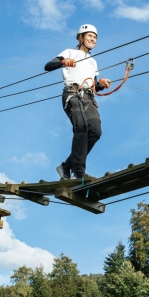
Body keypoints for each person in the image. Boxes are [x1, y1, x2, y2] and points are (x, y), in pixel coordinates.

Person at [45, 24, 112, 180]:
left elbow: (93, 86)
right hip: (72, 94)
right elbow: (48, 66)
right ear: (81, 37)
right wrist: (64, 62)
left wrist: (101, 85)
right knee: (81, 126)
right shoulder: (70, 52)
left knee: (95, 131)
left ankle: (66, 166)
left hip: (88, 97)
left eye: (95, 37)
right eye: (90, 36)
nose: (93, 39)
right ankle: (79, 172)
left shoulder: (93, 62)